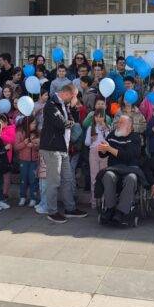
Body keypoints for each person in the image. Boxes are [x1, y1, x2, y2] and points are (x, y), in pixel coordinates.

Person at [39, 83, 87, 223]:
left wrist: (71, 115)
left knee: (67, 179)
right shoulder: (51, 105)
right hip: (51, 148)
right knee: (53, 181)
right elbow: (62, 124)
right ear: (66, 94)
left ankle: (70, 209)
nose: (74, 100)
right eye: (73, 97)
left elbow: (72, 121)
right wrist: (70, 122)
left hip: (63, 148)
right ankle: (52, 211)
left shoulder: (64, 105)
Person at [96, 115, 145, 225]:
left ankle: (121, 211)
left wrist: (110, 149)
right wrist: (103, 150)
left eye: (121, 123)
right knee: (107, 175)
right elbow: (103, 154)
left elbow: (129, 156)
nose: (118, 125)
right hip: (114, 168)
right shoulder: (112, 135)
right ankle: (110, 208)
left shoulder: (135, 137)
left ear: (129, 126)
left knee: (131, 178)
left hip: (130, 168)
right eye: (118, 122)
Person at [85, 109, 110, 208]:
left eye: (101, 116)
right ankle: (94, 201)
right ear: (94, 118)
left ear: (104, 118)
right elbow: (86, 143)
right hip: (93, 152)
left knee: (104, 176)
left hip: (104, 152)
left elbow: (110, 141)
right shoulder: (91, 128)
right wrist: (91, 139)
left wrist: (106, 130)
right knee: (94, 177)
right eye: (96, 116)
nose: (98, 119)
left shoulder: (107, 128)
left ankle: (104, 201)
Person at [14, 117, 40, 207]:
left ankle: (33, 198)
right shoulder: (20, 133)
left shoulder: (37, 134)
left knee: (33, 179)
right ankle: (22, 197)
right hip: (23, 160)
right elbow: (16, 147)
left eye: (35, 123)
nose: (35, 125)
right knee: (23, 179)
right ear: (27, 124)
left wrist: (34, 145)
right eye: (33, 123)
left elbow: (40, 147)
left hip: (34, 160)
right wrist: (24, 143)